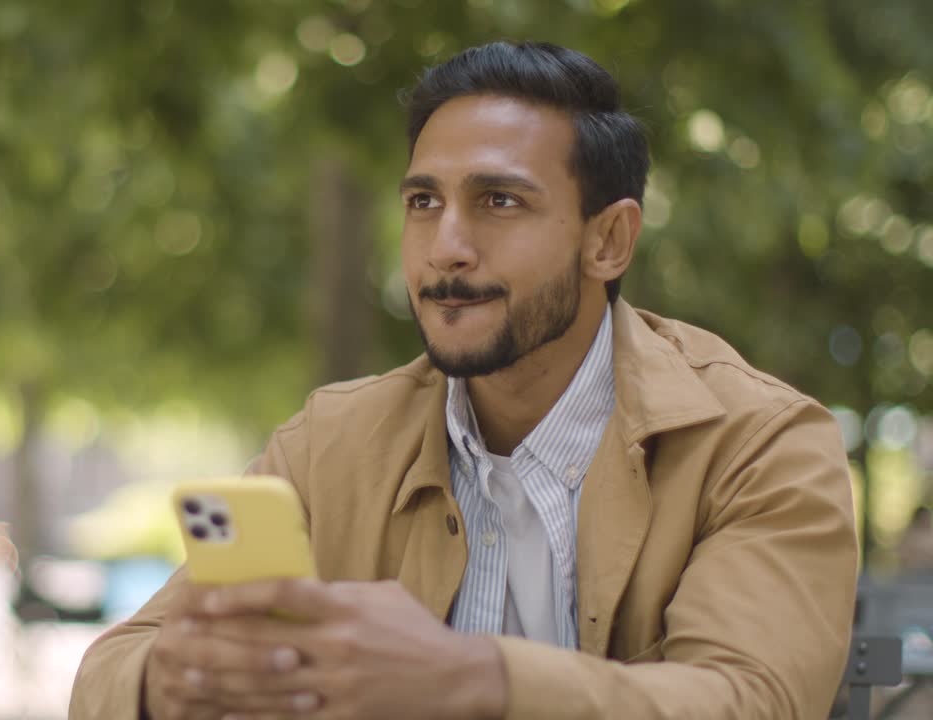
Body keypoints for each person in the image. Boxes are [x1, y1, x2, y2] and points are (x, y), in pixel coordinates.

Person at [70, 41, 857, 720]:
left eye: (499, 201)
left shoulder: (761, 444)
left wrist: (476, 679)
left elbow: (750, 700)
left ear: (609, 241)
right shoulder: (329, 443)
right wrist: (165, 683)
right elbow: (112, 670)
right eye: (423, 201)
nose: (446, 246)